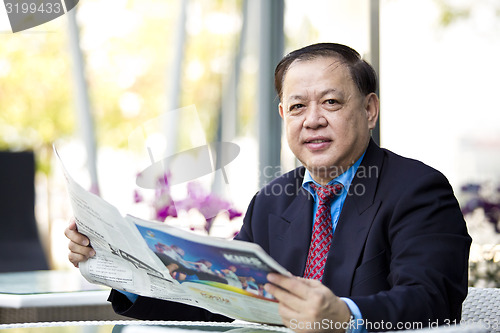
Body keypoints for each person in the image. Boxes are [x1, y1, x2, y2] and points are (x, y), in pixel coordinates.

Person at [65, 42, 471, 332]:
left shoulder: (418, 189)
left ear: (369, 110)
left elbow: (434, 300)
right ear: (283, 115)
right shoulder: (271, 203)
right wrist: (120, 268)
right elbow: (220, 302)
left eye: (330, 102)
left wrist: (344, 316)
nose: (311, 120)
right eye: (297, 106)